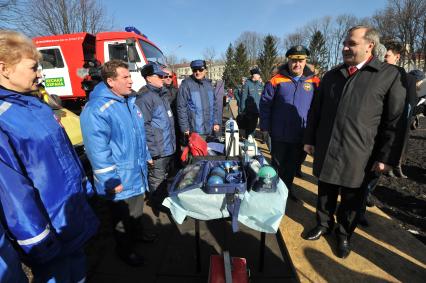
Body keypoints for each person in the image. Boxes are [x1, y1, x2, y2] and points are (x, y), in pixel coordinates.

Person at [0, 30, 98, 281]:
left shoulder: (33, 104)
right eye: (33, 67)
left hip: (68, 219)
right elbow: (12, 193)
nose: (40, 74)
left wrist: (82, 192)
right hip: (47, 231)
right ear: (5, 69)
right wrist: (37, 241)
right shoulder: (4, 118)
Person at [302, 26, 407, 259]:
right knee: (325, 191)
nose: (345, 48)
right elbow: (315, 111)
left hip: (361, 153)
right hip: (328, 146)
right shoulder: (332, 75)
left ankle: (344, 234)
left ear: (370, 45)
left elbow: (395, 122)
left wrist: (386, 158)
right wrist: (309, 139)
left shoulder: (388, 75)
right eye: (345, 43)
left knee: (352, 199)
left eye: (351, 43)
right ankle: (323, 224)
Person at [80, 59, 157, 267]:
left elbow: (137, 135)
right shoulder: (97, 109)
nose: (131, 81)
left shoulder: (128, 102)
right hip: (119, 176)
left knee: (136, 210)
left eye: (130, 76)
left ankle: (136, 235)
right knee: (122, 218)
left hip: (135, 169)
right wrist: (110, 179)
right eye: (125, 77)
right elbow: (97, 151)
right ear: (111, 81)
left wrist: (146, 154)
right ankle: (125, 251)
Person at [259, 45, 319, 200]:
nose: (297, 64)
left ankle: (287, 189)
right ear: (288, 60)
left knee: (292, 166)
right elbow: (265, 105)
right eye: (293, 60)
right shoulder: (276, 80)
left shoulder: (314, 82)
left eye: (301, 60)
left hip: (301, 134)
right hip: (279, 133)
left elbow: (318, 108)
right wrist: (265, 128)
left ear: (306, 61)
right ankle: (273, 192)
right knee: (278, 165)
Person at [135, 62, 176, 211]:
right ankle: (157, 205)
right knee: (157, 179)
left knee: (164, 177)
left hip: (167, 146)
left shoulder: (161, 94)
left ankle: (163, 200)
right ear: (148, 78)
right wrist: (151, 151)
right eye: (158, 76)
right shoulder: (145, 98)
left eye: (163, 75)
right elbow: (143, 126)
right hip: (158, 149)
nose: (162, 78)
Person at [177, 60, 220, 140]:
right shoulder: (186, 84)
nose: (197, 72)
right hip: (195, 131)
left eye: (200, 70)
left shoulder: (209, 84)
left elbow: (214, 105)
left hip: (210, 129)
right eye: (194, 70)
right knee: (197, 152)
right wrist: (185, 127)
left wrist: (216, 122)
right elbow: (181, 107)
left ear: (205, 70)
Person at [240, 67, 263, 138]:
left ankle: (251, 139)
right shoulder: (247, 84)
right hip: (249, 110)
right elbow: (243, 98)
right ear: (254, 75)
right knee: (249, 127)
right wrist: (243, 110)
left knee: (254, 126)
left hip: (257, 110)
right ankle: (248, 140)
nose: (259, 76)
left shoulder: (260, 84)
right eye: (258, 75)